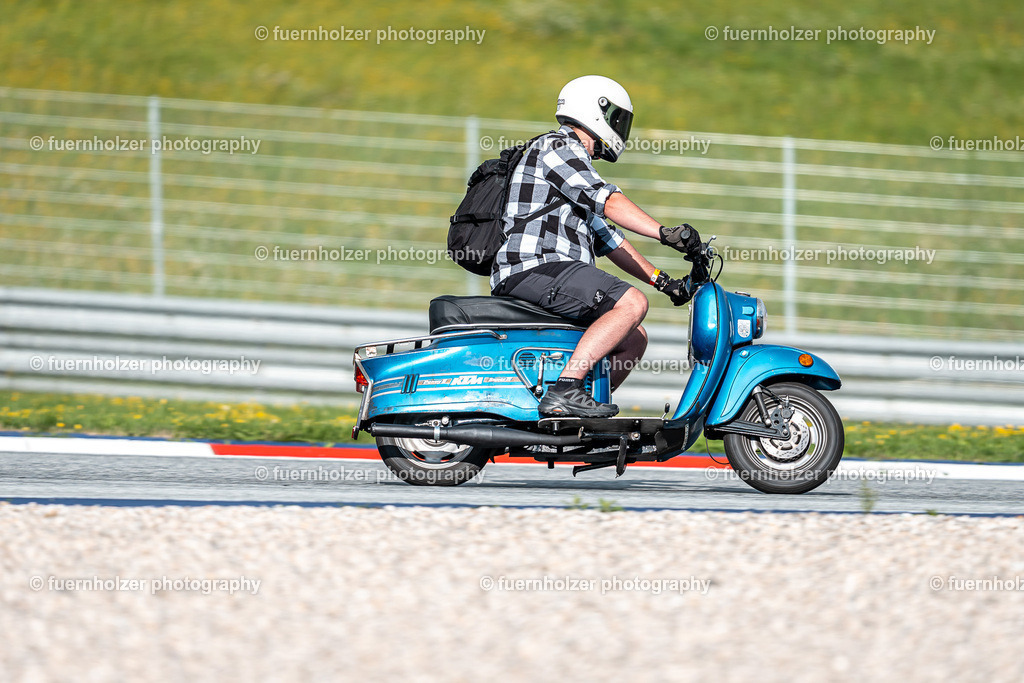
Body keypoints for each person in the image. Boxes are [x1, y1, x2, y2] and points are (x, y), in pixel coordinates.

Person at [490, 75, 702, 418]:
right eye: (617, 118)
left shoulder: (574, 164)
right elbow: (608, 202)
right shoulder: (558, 148)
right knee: (631, 303)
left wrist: (665, 281)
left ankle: (577, 413)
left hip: (550, 271)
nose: (620, 128)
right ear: (596, 110)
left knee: (634, 338)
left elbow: (610, 240)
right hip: (532, 266)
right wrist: (665, 233)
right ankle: (566, 390)